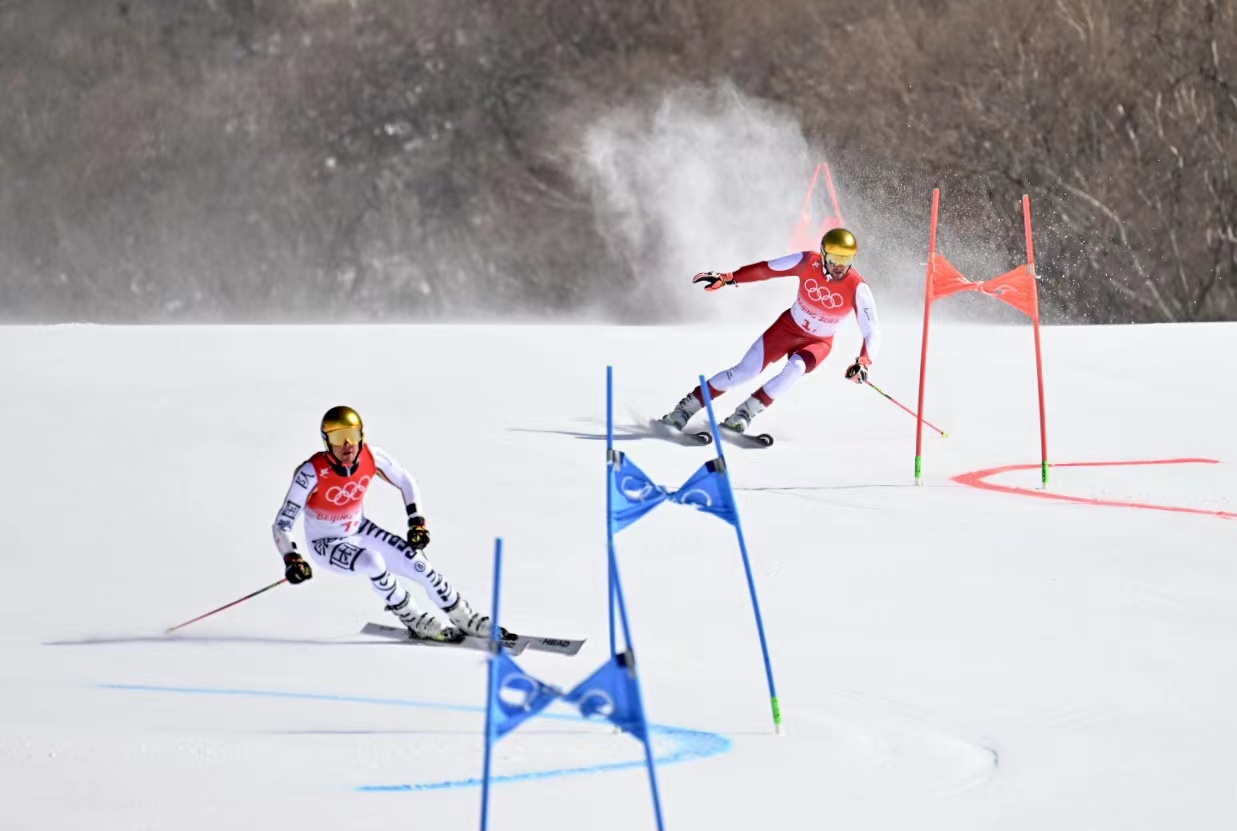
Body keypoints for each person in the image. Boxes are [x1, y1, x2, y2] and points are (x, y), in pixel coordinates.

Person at [272, 405, 505, 642]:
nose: (347, 445)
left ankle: (464, 617)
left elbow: (405, 480)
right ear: (326, 442)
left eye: (352, 435)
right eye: (338, 437)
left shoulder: (372, 456)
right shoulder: (311, 473)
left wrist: (417, 522)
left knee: (419, 564)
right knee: (373, 562)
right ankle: (413, 617)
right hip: (325, 543)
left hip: (359, 529)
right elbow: (282, 523)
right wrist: (292, 558)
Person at [659, 228, 881, 434]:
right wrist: (727, 278)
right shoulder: (807, 262)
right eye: (834, 259)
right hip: (787, 328)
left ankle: (744, 414)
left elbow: (871, 330)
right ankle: (683, 410)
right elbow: (766, 269)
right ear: (823, 254)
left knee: (796, 368)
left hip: (819, 343)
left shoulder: (858, 287)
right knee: (744, 372)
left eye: (846, 260)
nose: (840, 267)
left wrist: (863, 362)